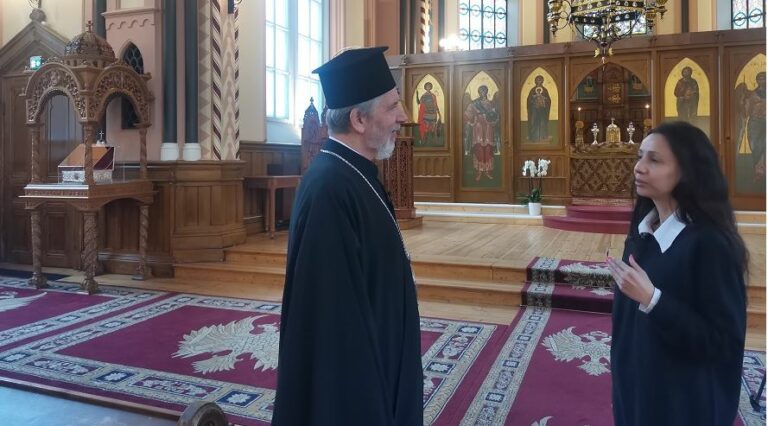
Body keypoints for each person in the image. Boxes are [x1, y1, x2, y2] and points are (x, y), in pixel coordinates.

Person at [272, 46, 423, 426]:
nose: (403, 117)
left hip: (383, 357)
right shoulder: (329, 188)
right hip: (357, 391)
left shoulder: (355, 173)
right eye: (393, 106)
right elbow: (334, 329)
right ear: (358, 119)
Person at [606, 121, 748, 425]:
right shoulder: (642, 231)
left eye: (655, 160)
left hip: (682, 403)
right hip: (637, 388)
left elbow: (722, 343)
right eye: (640, 157)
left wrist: (653, 300)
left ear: (687, 170)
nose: (639, 168)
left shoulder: (711, 244)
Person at [464, 85, 499, 181]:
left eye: (484, 91)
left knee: (488, 148)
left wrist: (494, 120)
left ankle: (487, 171)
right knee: (478, 148)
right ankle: (479, 171)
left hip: (488, 126)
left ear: (487, 92)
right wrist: (470, 120)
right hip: (478, 126)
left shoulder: (491, 103)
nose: (482, 92)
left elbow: (496, 115)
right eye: (481, 91)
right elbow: (467, 114)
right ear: (479, 92)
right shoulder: (474, 103)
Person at [527, 75, 551, 142]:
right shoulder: (532, 90)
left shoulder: (545, 90)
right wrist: (533, 99)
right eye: (537, 80)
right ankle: (534, 137)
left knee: (543, 122)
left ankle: (543, 136)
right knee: (534, 122)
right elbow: (529, 100)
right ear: (535, 81)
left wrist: (544, 98)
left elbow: (548, 100)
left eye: (540, 80)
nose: (539, 81)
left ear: (542, 81)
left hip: (543, 110)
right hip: (534, 110)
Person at [416, 81, 441, 146]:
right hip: (426, 113)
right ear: (425, 88)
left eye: (429, 86)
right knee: (426, 127)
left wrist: (439, 113)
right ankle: (425, 140)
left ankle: (434, 140)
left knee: (433, 127)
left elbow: (435, 104)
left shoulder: (433, 96)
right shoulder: (423, 96)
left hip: (433, 113)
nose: (428, 87)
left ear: (430, 87)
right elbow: (419, 103)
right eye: (427, 86)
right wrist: (417, 96)